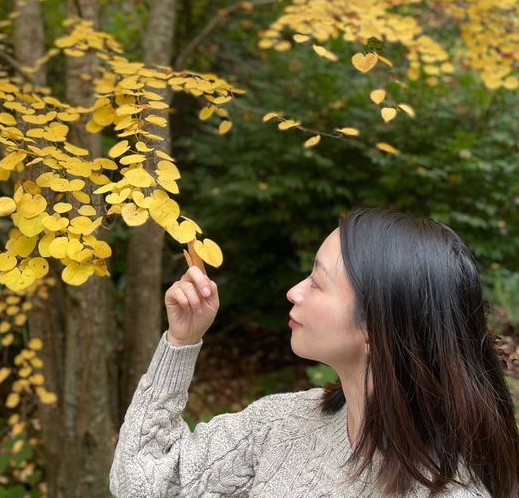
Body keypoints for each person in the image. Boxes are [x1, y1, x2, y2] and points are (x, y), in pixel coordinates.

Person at [109, 207, 519, 497]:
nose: (294, 291)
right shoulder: (282, 425)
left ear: (378, 327)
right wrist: (181, 343)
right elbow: (142, 483)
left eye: (318, 283)